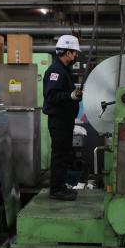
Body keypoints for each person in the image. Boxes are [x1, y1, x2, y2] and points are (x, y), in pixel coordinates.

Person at [43, 35, 82, 200]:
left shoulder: (64, 70)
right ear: (67, 52)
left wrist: (74, 95)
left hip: (64, 120)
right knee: (59, 154)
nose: (76, 56)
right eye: (75, 53)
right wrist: (70, 96)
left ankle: (60, 185)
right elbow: (51, 97)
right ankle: (56, 190)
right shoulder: (55, 71)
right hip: (58, 121)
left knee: (64, 154)